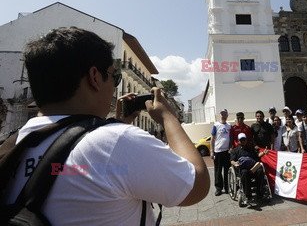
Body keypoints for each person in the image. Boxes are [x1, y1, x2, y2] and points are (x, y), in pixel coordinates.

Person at [1, 27, 209, 225]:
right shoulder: (116, 142)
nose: (113, 86)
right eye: (114, 77)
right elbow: (196, 185)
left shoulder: (13, 143)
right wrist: (169, 118)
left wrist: (116, 125)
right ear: (94, 77)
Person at [230, 133, 268, 206]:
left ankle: (260, 194)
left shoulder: (250, 149)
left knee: (260, 171)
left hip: (253, 168)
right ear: (238, 141)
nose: (243, 141)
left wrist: (263, 153)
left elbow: (257, 156)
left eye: (244, 139)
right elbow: (232, 160)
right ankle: (248, 196)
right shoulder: (235, 151)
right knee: (245, 172)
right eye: (241, 140)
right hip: (243, 169)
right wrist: (235, 163)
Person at [211, 108, 231, 196]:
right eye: (222, 114)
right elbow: (212, 139)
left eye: (225, 114)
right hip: (218, 151)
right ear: (220, 115)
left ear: (227, 115)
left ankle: (227, 187)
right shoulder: (216, 125)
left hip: (227, 152)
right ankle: (219, 188)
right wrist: (212, 151)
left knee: (227, 170)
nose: (223, 116)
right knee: (218, 171)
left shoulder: (229, 126)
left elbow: (231, 138)